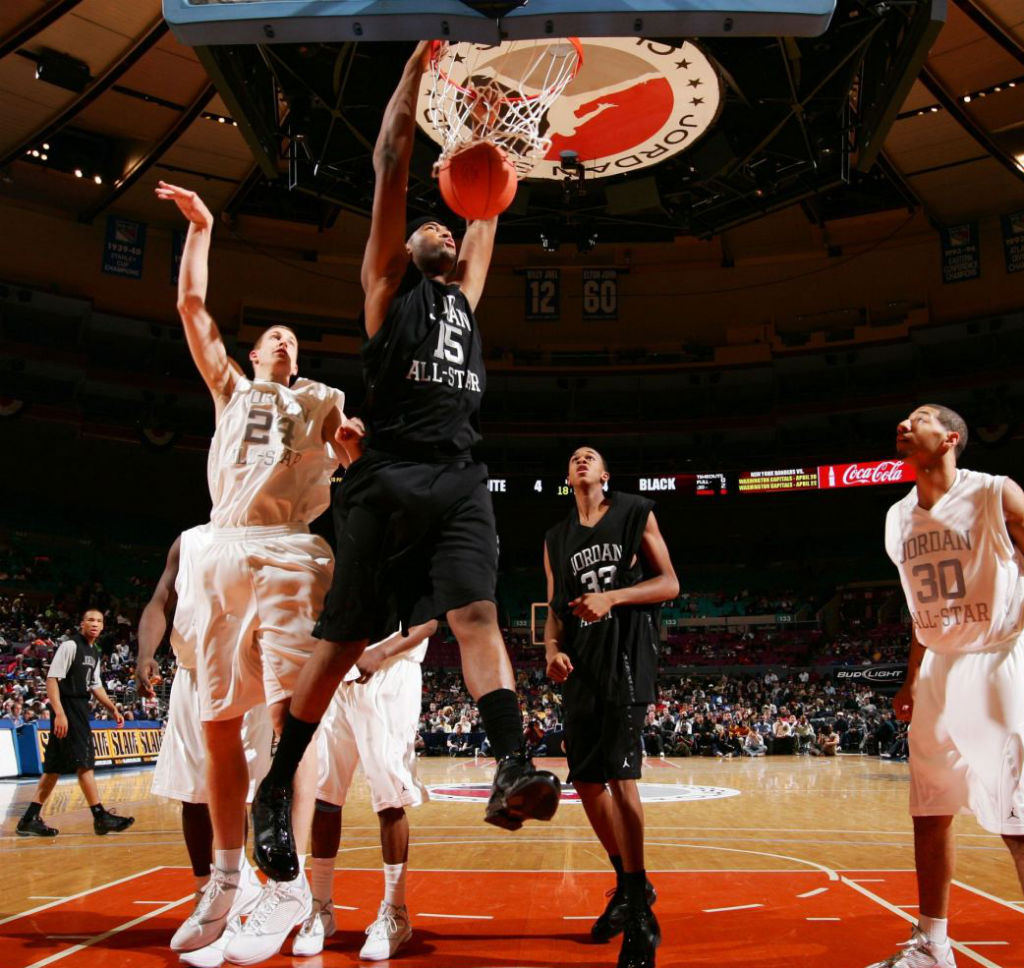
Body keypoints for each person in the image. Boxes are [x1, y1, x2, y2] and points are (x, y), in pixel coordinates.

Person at [252, 40, 560, 881]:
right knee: (346, 638)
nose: (436, 224)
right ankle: (275, 789)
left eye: (444, 223)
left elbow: (490, 209)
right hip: (387, 476)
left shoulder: (466, 290)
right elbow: (393, 162)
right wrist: (415, 73)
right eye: (428, 224)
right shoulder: (388, 288)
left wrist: (496, 131)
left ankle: (510, 764)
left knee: (479, 619)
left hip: (460, 477)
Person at [155, 180, 358, 964]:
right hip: (219, 548)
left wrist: (354, 450)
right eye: (275, 335)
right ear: (252, 353)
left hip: (286, 550)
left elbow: (355, 454)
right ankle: (227, 879)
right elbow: (191, 308)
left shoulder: (323, 399)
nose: (287, 342)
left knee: (286, 727)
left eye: (295, 340)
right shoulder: (232, 391)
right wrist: (201, 228)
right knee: (215, 726)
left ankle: (289, 884)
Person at [866, 404, 1024, 968]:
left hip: (997, 657)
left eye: (921, 418)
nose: (905, 424)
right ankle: (933, 944)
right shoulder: (897, 517)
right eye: (905, 420)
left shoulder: (995, 493)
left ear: (951, 437)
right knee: (929, 808)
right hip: (937, 665)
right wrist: (911, 678)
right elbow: (918, 607)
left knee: (1017, 815)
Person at [544, 446, 679, 968]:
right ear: (568, 474)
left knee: (621, 777)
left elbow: (670, 582)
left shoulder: (634, 511)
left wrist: (614, 598)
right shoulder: (555, 538)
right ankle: (629, 886)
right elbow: (556, 609)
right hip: (579, 664)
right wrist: (553, 650)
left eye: (591, 456)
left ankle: (639, 912)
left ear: (605, 474)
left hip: (626, 659)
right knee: (586, 779)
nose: (580, 459)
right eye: (574, 456)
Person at [134, 528, 270, 955]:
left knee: (238, 796)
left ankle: (232, 905)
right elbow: (159, 602)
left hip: (247, 677)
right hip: (193, 677)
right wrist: (144, 654)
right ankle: (202, 898)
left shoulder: (268, 536)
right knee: (193, 796)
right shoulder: (188, 541)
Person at [296, 621, 435, 960]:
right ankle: (321, 907)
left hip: (391, 672)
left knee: (389, 798)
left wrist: (381, 651)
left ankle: (395, 911)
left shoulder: (412, 565)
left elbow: (430, 620)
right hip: (337, 670)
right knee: (324, 796)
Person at [16, 609, 135, 837]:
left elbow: (95, 684)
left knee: (53, 768)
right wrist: (59, 712)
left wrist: (112, 708)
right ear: (82, 623)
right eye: (90, 619)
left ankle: (29, 818)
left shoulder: (94, 651)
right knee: (84, 761)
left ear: (102, 627)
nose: (95, 624)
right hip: (68, 707)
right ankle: (100, 816)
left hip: (78, 707)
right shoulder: (70, 646)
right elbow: (52, 679)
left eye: (99, 621)